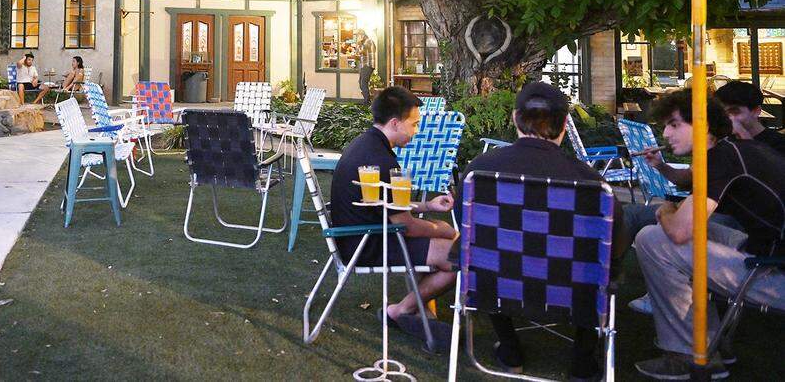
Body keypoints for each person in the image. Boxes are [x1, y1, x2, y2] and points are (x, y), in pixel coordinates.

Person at [456, 81, 627, 382]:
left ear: (514, 119)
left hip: (496, 284)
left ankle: (510, 349)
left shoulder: (479, 172)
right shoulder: (592, 184)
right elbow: (612, 247)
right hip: (570, 289)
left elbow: (467, 229)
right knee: (597, 268)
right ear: (564, 125)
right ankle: (583, 362)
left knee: (490, 253)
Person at [633, 88, 785, 380]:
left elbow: (678, 232)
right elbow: (689, 182)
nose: (665, 134)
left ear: (702, 124)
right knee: (694, 232)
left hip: (773, 270)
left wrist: (666, 211)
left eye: (674, 124)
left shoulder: (721, 159)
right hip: (767, 251)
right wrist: (662, 168)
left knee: (652, 239)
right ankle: (711, 344)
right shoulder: (732, 151)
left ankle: (687, 353)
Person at [330, 86, 458, 341]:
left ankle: (424, 315)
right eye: (414, 124)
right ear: (395, 123)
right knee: (459, 256)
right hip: (369, 244)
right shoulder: (380, 159)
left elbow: (387, 205)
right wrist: (443, 229)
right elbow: (406, 227)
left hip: (361, 235)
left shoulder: (365, 144)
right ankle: (400, 311)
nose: (416, 131)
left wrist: (428, 206)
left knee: (440, 239)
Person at [715, 80, 785, 156]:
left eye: (734, 111)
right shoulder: (720, 141)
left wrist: (742, 133)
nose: (727, 118)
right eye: (722, 112)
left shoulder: (779, 143)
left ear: (756, 111)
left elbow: (765, 165)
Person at [356, 30, 376, 105]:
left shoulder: (369, 41)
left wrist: (359, 44)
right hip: (363, 65)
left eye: (358, 35)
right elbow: (361, 55)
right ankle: (367, 99)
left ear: (363, 35)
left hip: (368, 65)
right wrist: (355, 56)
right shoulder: (362, 43)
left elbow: (363, 52)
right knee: (361, 83)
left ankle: (367, 101)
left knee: (363, 82)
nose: (358, 37)